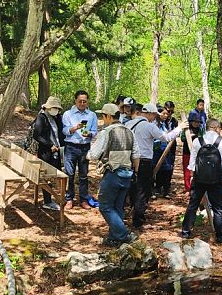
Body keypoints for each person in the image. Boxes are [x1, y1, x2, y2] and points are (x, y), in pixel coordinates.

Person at [88, 103, 141, 247]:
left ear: (109, 116)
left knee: (105, 206)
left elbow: (93, 154)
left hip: (112, 173)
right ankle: (114, 238)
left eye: (103, 116)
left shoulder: (107, 132)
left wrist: (87, 154)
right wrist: (135, 172)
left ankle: (124, 235)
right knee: (117, 207)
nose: (102, 119)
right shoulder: (129, 131)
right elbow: (136, 154)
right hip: (127, 174)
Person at [126, 103, 186, 229]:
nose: (155, 118)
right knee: (143, 190)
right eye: (154, 115)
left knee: (133, 187)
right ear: (150, 114)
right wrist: (179, 128)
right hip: (144, 160)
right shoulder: (149, 126)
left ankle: (133, 211)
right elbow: (166, 138)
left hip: (129, 160)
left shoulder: (128, 124)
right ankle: (138, 219)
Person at [181, 118, 222, 243]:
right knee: (218, 207)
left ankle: (186, 232)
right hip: (216, 179)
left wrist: (193, 176)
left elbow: (192, 163)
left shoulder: (197, 141)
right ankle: (220, 234)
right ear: (216, 128)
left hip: (199, 179)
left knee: (193, 205)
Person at [62, 90, 98, 210]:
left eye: (85, 101)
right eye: (80, 101)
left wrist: (89, 134)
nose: (82, 103)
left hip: (84, 146)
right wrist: (74, 128)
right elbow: (64, 131)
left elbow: (94, 132)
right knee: (69, 174)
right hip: (70, 146)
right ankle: (69, 199)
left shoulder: (92, 115)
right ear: (75, 101)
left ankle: (83, 199)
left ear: (87, 102)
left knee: (83, 175)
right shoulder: (68, 114)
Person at [33, 96, 65, 211]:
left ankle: (54, 198)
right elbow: (37, 135)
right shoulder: (42, 117)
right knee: (46, 177)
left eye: (57, 108)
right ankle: (47, 201)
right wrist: (49, 145)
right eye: (54, 107)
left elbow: (60, 134)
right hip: (46, 152)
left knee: (54, 176)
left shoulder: (57, 118)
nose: (55, 110)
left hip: (56, 152)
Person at [152, 106, 175, 198]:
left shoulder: (165, 124)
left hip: (165, 149)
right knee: (155, 169)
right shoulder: (154, 124)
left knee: (166, 169)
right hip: (156, 150)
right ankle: (154, 189)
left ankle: (166, 189)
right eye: (163, 113)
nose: (165, 115)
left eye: (166, 114)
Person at [181, 111, 202, 193]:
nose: (196, 123)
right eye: (195, 122)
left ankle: (195, 188)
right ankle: (187, 188)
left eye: (198, 122)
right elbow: (182, 138)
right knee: (187, 170)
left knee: (196, 170)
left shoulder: (200, 130)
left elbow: (203, 138)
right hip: (187, 152)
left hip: (197, 153)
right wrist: (188, 136)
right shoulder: (187, 129)